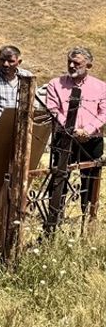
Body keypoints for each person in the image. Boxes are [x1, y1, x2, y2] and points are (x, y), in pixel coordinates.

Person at [42, 47, 105, 232]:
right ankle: (54, 217)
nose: (71, 66)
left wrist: (88, 130)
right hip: (64, 138)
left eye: (76, 63)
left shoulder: (101, 86)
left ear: (89, 65)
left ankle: (89, 219)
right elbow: (53, 110)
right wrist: (72, 130)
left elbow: (104, 112)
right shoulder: (55, 84)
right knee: (60, 176)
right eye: (69, 61)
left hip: (91, 140)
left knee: (90, 179)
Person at [0, 45, 32, 155]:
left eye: (11, 61)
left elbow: (31, 103)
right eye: (2, 60)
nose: (6, 64)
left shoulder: (27, 76)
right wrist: (7, 122)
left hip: (20, 131)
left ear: (19, 61)